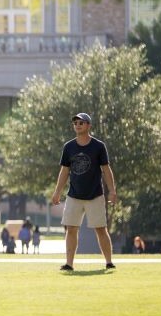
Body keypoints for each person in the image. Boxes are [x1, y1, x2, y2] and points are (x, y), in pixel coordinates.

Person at [50, 112, 118, 271]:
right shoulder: (69, 147)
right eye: (75, 123)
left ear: (88, 125)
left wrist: (112, 190)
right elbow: (64, 171)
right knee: (71, 229)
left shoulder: (98, 146)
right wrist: (57, 192)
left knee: (101, 229)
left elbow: (106, 170)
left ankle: (109, 262)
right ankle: (69, 264)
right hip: (74, 195)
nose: (77, 125)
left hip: (95, 195)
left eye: (81, 123)